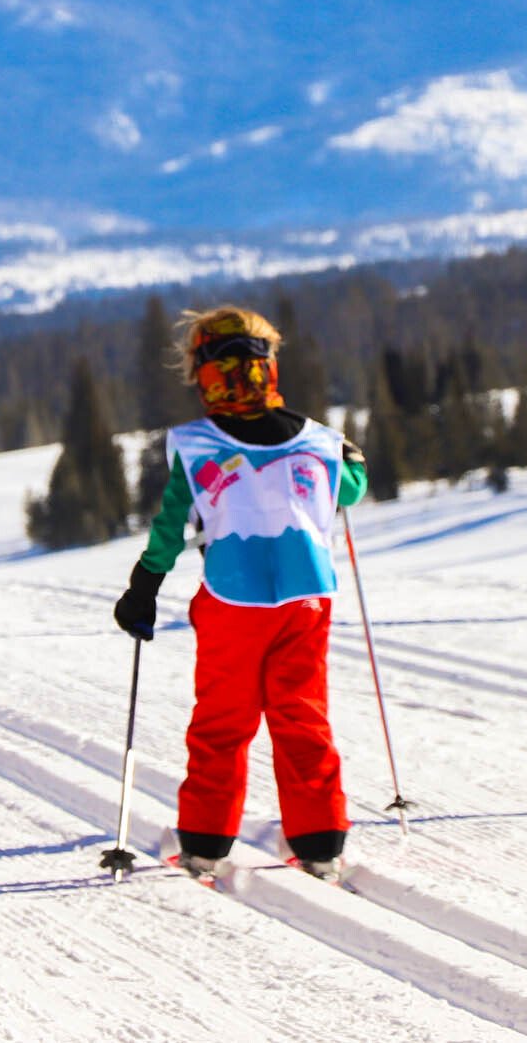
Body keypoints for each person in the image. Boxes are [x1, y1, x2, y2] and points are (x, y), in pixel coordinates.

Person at [111, 306, 367, 882]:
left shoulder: (197, 446)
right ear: (268, 365)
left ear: (203, 371)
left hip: (232, 602)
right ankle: (320, 843)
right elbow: (349, 487)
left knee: (223, 723)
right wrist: (352, 459)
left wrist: (143, 586)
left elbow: (171, 525)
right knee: (302, 717)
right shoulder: (320, 441)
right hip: (307, 599)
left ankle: (204, 844)